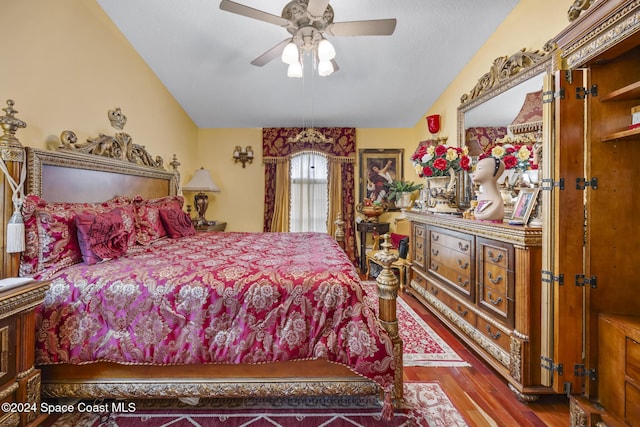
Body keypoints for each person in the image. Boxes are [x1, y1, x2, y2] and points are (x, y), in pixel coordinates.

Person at [471, 156, 505, 222]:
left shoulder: (496, 201)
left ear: (492, 172)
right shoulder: (480, 198)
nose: (474, 172)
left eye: (479, 168)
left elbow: (482, 215)